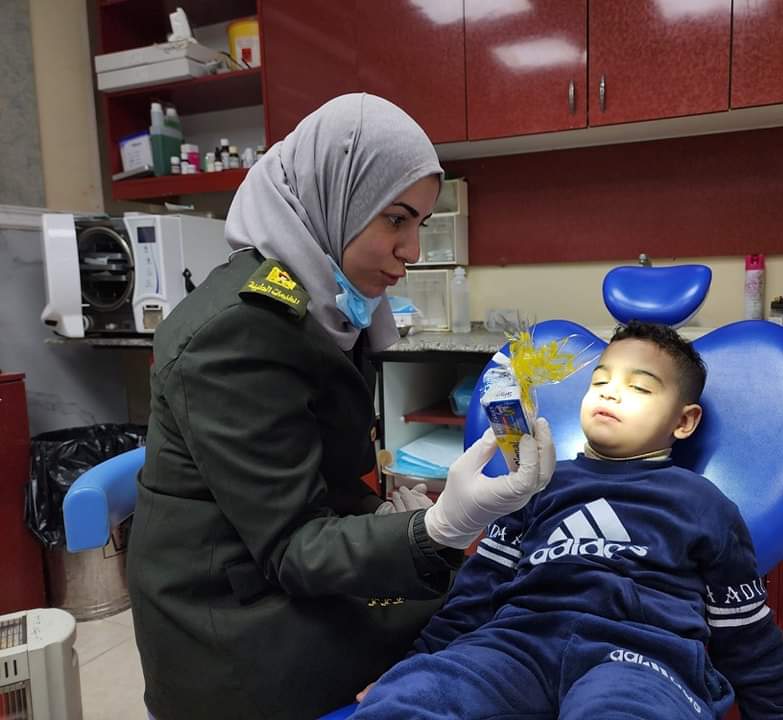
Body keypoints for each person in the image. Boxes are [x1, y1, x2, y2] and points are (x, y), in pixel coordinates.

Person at [126, 93, 555, 720]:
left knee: (475, 603)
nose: (412, 249)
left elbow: (316, 472)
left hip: (275, 575)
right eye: (396, 220)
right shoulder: (239, 333)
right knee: (476, 636)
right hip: (230, 628)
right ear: (335, 197)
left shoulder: (326, 309)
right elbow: (291, 545)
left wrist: (386, 515)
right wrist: (436, 528)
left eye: (421, 225)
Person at [354, 321, 783, 719]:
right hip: (517, 645)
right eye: (600, 381)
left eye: (639, 387)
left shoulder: (705, 505)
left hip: (640, 660)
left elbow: (749, 638)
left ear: (684, 422)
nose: (610, 392)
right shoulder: (535, 483)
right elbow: (476, 592)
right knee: (410, 700)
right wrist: (410, 669)